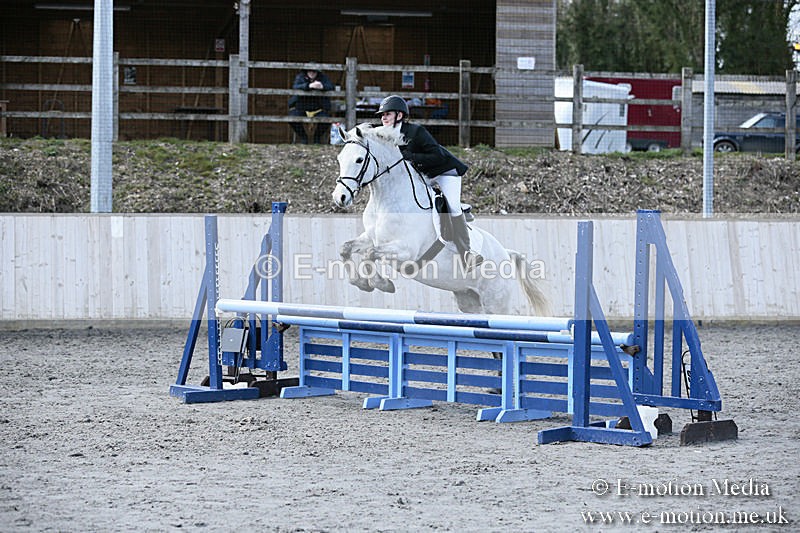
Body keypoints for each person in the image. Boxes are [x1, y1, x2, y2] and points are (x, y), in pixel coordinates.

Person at [376, 94, 482, 268]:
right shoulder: (385, 136)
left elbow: (437, 155)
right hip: (423, 174)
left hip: (445, 171)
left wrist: (409, 157)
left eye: (387, 114)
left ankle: (467, 254)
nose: (383, 118)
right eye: (382, 115)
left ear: (399, 115)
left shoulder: (416, 131)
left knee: (452, 206)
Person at [288, 68, 334, 144]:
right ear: (306, 72)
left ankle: (317, 138)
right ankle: (303, 137)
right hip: (302, 108)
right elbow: (295, 86)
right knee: (292, 118)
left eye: (314, 71)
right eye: (309, 71)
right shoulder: (300, 77)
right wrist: (308, 86)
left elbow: (331, 86)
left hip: (318, 109)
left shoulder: (322, 77)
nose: (312, 73)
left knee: (327, 119)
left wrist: (322, 86)